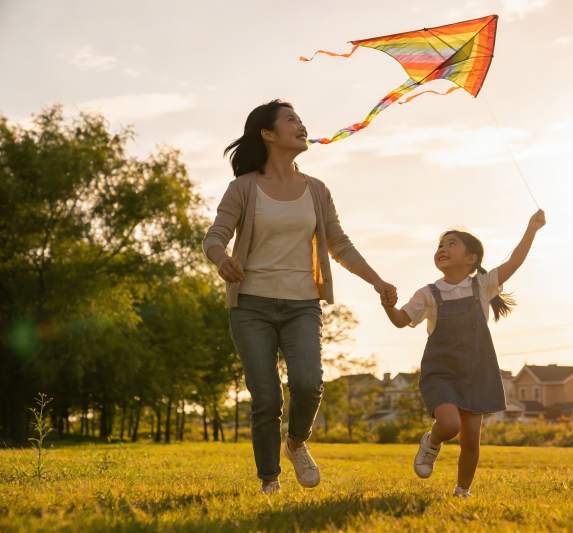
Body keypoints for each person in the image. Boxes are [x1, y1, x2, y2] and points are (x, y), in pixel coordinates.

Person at [202, 99, 397, 494]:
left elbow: (339, 244)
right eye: (292, 120)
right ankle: (269, 481)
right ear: (268, 134)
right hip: (251, 305)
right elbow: (214, 236)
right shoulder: (243, 188)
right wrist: (222, 259)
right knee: (266, 397)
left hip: (302, 305)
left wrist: (377, 281)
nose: (301, 125)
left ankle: (296, 443)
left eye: (302, 120)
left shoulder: (317, 190)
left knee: (308, 384)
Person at [381, 210, 546, 497]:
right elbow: (400, 320)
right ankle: (431, 442)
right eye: (440, 246)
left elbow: (515, 261)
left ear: (471, 259)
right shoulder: (428, 293)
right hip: (441, 373)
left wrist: (532, 228)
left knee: (471, 440)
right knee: (449, 425)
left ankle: (462, 491)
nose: (443, 249)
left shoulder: (482, 286)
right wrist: (388, 305)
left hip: (476, 372)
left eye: (451, 244)